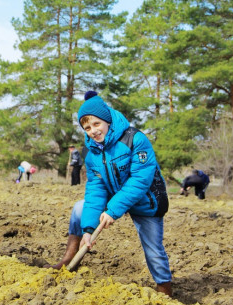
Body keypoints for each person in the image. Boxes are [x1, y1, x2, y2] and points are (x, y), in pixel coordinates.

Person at [44, 91, 172, 297]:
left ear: (107, 119)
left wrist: (112, 210)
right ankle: (69, 258)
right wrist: (88, 229)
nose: (93, 131)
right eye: (87, 128)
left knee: (154, 250)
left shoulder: (135, 139)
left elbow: (140, 181)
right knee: (79, 208)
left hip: (145, 201)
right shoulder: (92, 152)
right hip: (114, 199)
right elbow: (96, 189)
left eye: (96, 124)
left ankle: (164, 289)